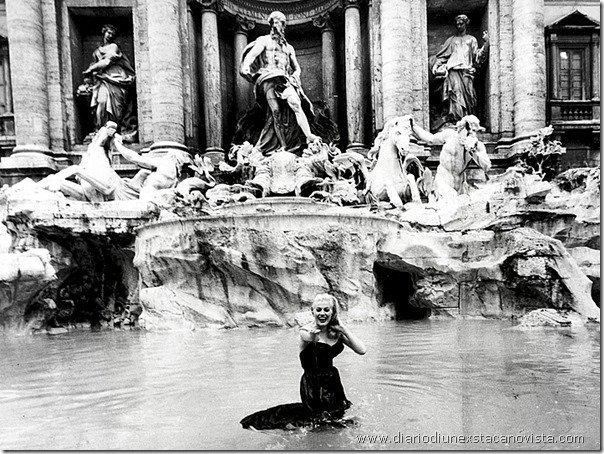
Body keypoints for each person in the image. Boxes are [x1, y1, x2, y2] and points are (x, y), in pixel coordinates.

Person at [240, 293, 366, 430]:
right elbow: (309, 337)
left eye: (326, 309)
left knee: (335, 419)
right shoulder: (305, 331)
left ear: (333, 312)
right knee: (316, 422)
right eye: (318, 310)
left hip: (332, 380)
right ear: (313, 311)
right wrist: (313, 335)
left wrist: (343, 329)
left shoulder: (336, 333)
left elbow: (361, 350)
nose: (322, 313)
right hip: (312, 383)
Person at [240, 11, 320, 154]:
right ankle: (284, 146)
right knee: (275, 111)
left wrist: (295, 75)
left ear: (284, 26)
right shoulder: (263, 40)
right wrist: (246, 67)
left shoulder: (289, 48)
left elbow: (297, 68)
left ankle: (308, 135)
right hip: (268, 78)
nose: (278, 26)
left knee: (295, 102)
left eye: (281, 23)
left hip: (284, 80)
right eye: (275, 22)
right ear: (271, 24)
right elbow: (252, 56)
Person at [39, 121, 138, 201]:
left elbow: (107, 189)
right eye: (96, 136)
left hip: (122, 197)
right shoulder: (90, 156)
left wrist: (76, 170)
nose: (96, 138)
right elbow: (86, 195)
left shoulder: (101, 156)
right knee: (54, 180)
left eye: (98, 136)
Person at [431, 15, 488, 128]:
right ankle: (456, 122)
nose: (459, 26)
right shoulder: (451, 40)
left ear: (466, 23)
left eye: (461, 23)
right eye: (457, 24)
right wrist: (436, 65)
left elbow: (477, 57)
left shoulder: (472, 39)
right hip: (453, 71)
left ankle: (468, 122)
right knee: (455, 95)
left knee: (469, 97)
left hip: (467, 71)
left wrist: (486, 43)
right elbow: (442, 56)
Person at [83, 24, 136, 136]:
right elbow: (96, 65)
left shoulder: (114, 47)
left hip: (116, 78)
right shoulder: (97, 51)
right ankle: (100, 130)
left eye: (112, 34)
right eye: (108, 32)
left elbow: (106, 62)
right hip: (102, 80)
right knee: (102, 102)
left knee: (116, 107)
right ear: (104, 32)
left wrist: (90, 69)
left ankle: (113, 131)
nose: (110, 35)